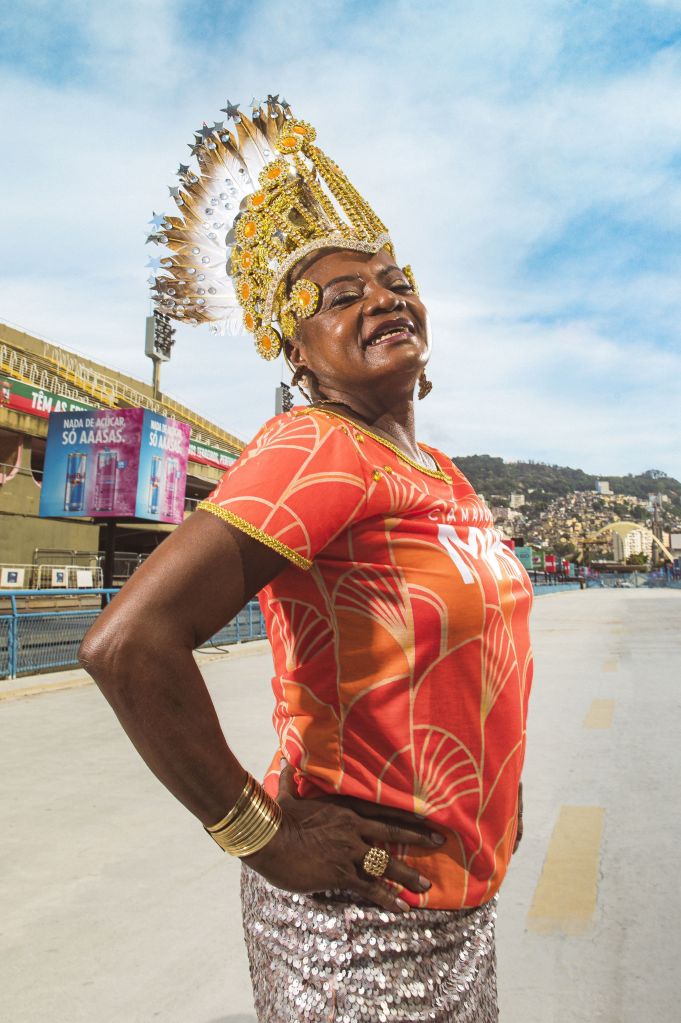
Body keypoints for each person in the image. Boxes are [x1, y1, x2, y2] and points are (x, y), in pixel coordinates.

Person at [80, 96, 533, 1022]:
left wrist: (496, 800)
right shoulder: (315, 447)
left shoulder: (436, 471)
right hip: (359, 928)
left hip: (453, 904)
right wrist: (263, 834)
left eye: (394, 278)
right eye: (342, 296)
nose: (385, 297)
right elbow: (129, 643)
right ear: (295, 348)